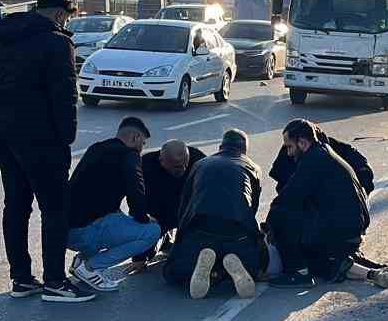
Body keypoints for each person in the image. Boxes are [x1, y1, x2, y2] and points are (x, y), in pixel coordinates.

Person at [0, 0, 93, 303]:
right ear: (61, 14)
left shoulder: (3, 41)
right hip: (42, 137)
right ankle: (56, 283)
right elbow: (64, 94)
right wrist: (66, 137)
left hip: (3, 133)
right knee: (55, 208)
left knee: (16, 205)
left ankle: (21, 278)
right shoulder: (57, 43)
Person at [266, 119, 388, 288]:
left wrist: (268, 226)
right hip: (352, 228)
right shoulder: (324, 151)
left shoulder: (313, 161)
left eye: (289, 147)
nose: (288, 153)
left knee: (284, 218)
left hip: (340, 230)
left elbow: (287, 199)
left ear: (302, 143)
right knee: (317, 260)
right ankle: (374, 273)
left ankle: (298, 273)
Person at [65, 116, 163, 292]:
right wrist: (144, 217)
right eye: (143, 143)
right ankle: (90, 268)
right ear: (135, 138)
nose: (142, 148)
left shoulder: (96, 148)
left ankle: (82, 261)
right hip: (87, 232)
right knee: (152, 231)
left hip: (66, 232)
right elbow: (137, 193)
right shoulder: (129, 156)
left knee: (117, 216)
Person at [165, 129, 266, 299]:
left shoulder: (200, 164)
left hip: (200, 230)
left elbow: (185, 204)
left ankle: (212, 271)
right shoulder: (253, 167)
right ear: (244, 150)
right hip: (236, 233)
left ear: (220, 147)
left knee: (172, 273)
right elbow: (251, 209)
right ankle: (226, 268)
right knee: (257, 267)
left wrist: (180, 238)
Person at [132, 139, 207, 272]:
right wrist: (139, 256)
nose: (183, 169)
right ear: (161, 160)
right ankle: (163, 239)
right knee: (143, 253)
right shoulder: (145, 166)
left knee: (196, 254)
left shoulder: (198, 160)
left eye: (186, 164)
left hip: (189, 215)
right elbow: (135, 201)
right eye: (177, 166)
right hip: (158, 217)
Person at [268, 123, 375, 195]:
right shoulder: (292, 151)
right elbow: (280, 179)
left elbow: (365, 172)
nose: (289, 152)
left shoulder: (337, 152)